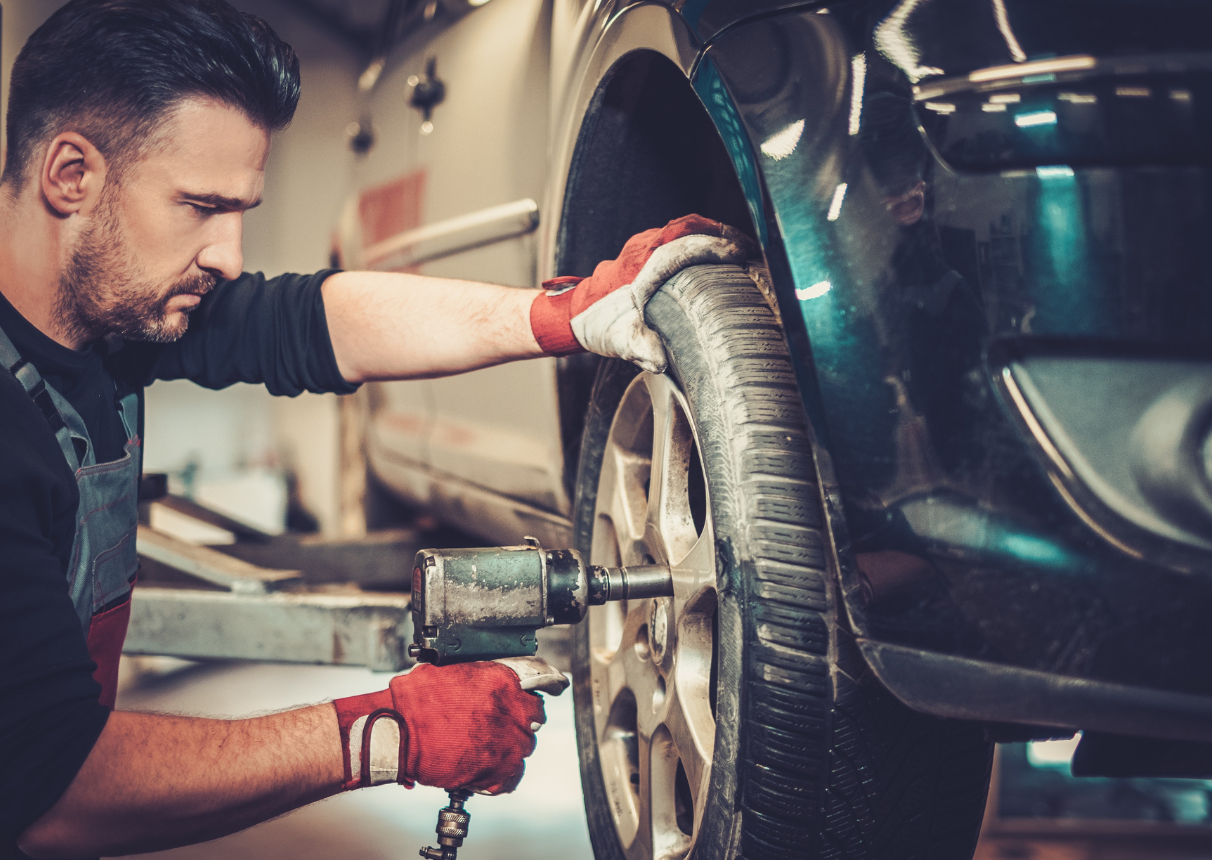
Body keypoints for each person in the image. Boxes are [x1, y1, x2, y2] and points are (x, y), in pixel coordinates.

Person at [0, 1, 754, 856]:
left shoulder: (100, 324)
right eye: (201, 205)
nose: (230, 254)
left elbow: (311, 321)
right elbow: (53, 789)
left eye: (241, 209)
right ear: (70, 175)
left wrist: (564, 314)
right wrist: (387, 730)